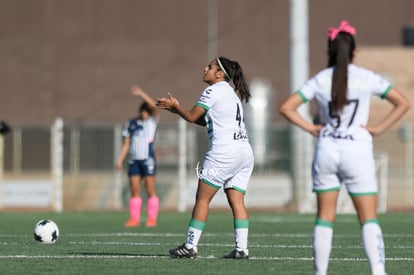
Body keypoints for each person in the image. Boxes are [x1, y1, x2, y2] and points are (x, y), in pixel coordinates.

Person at [279, 20, 410, 275]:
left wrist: (311, 128)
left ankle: (320, 273)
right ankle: (378, 272)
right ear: (354, 51)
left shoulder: (320, 79)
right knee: (368, 218)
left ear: (330, 50)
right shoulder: (366, 77)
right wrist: (379, 128)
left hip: (327, 149)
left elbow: (286, 107)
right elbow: (402, 103)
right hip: (357, 151)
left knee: (325, 217)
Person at [156, 56, 254, 259]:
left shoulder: (212, 90)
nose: (205, 68)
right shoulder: (231, 94)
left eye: (210, 67)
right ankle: (241, 249)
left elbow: (192, 116)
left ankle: (190, 246)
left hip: (224, 153)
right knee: (237, 201)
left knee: (202, 199)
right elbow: (208, 122)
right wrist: (179, 111)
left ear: (220, 74)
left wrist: (176, 108)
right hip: (244, 151)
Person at [115, 86, 160, 228]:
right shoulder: (131, 123)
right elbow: (126, 144)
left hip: (148, 160)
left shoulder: (151, 122)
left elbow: (153, 105)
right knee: (134, 190)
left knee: (150, 189)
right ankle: (134, 219)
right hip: (134, 160)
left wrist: (141, 93)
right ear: (140, 111)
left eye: (148, 112)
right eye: (144, 111)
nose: (146, 114)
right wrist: (120, 160)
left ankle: (152, 218)